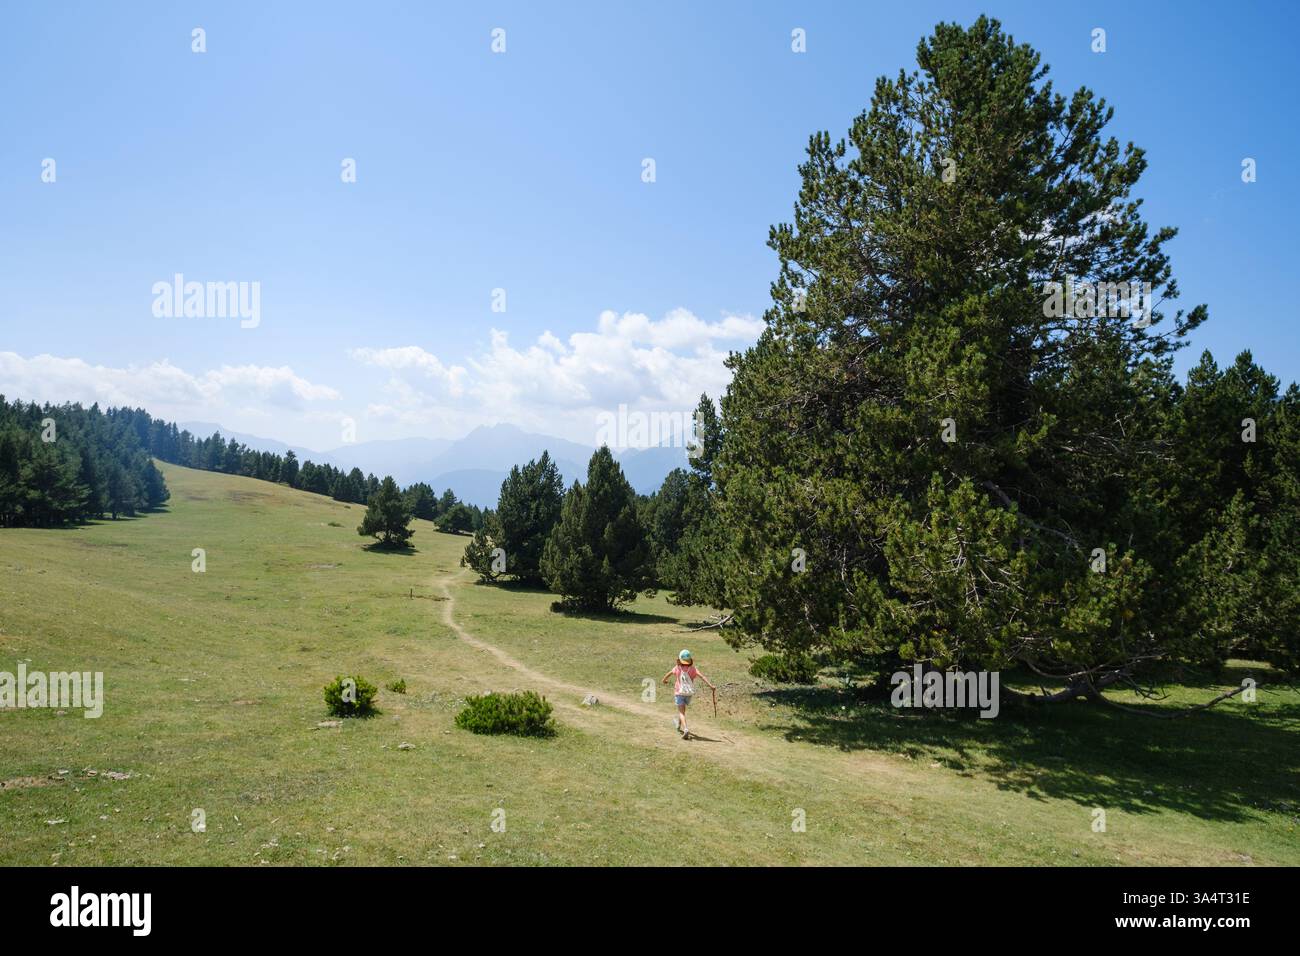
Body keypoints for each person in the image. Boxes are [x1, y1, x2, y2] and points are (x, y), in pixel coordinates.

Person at [662, 649, 714, 738]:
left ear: (679, 659)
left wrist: (664, 680)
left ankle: (686, 729)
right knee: (682, 711)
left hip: (679, 692)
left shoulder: (677, 668)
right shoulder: (693, 669)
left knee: (681, 712)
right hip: (689, 694)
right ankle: (678, 725)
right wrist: (711, 686)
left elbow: (669, 674)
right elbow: (702, 676)